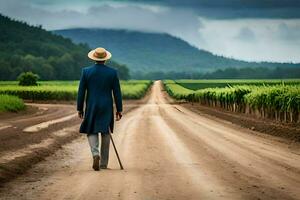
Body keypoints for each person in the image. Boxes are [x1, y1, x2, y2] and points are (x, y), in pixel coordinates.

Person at [77, 47, 123, 171]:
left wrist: (80, 108)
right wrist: (119, 109)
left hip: (92, 105)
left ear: (94, 58)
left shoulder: (86, 72)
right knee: (105, 132)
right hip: (106, 105)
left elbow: (81, 92)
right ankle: (103, 163)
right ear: (105, 59)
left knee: (91, 129)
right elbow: (117, 93)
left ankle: (95, 154)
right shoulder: (112, 72)